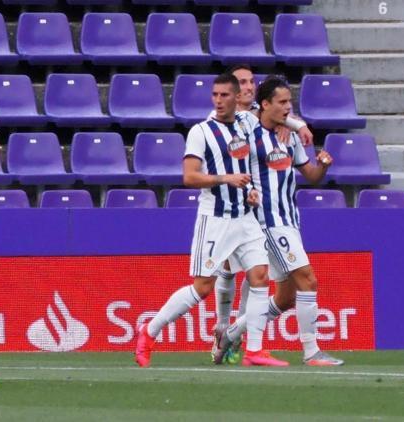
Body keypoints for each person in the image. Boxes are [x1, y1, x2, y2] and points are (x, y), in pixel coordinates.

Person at [135, 73, 285, 368]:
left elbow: (269, 121)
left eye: (224, 95)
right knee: (202, 287)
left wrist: (292, 126)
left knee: (260, 277)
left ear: (237, 98)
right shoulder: (201, 132)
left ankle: (254, 350)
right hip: (215, 219)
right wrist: (225, 178)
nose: (218, 100)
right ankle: (149, 330)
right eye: (215, 95)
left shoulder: (246, 124)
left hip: (245, 217)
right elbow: (189, 177)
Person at [213, 76, 344, 366]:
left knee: (285, 297)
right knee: (308, 279)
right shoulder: (247, 131)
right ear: (265, 104)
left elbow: (309, 174)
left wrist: (321, 165)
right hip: (266, 222)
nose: (288, 108)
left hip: (290, 219)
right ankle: (311, 351)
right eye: (282, 102)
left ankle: (232, 332)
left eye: (290, 102)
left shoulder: (289, 136)